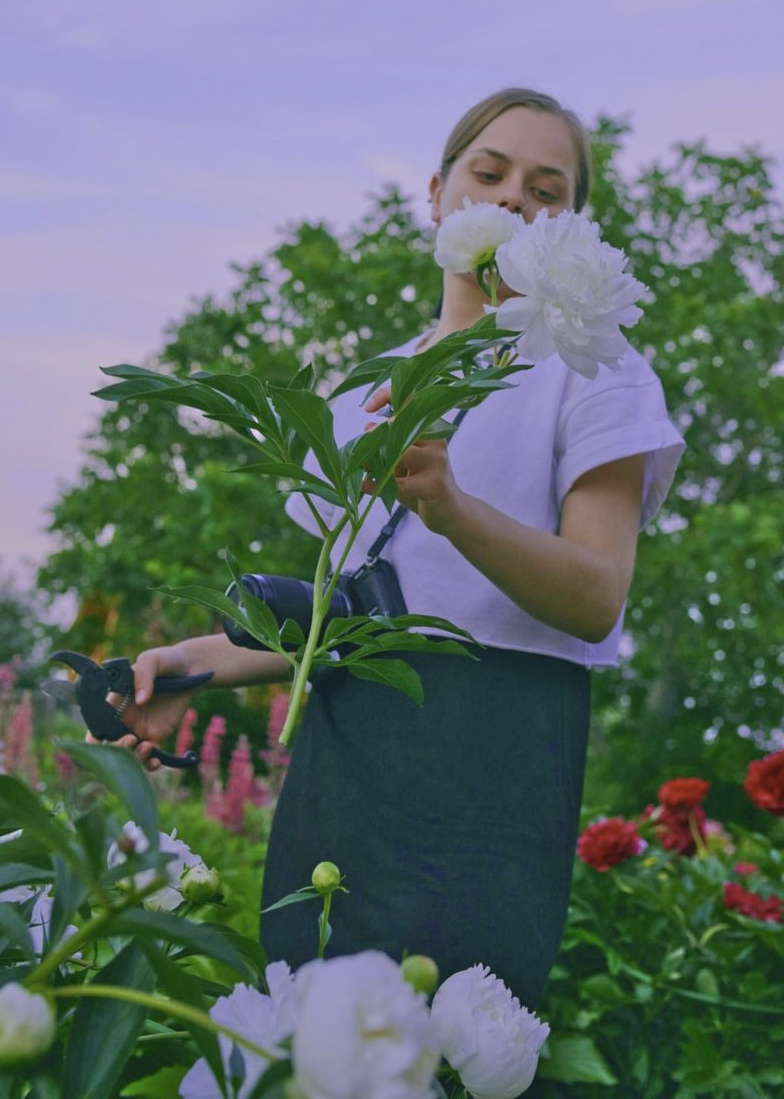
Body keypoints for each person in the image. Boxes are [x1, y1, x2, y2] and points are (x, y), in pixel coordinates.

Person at [96, 87, 685, 1012]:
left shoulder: (597, 371)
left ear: (575, 223)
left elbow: (597, 593)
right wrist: (188, 667)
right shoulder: (360, 393)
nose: (512, 200)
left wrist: (452, 505)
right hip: (344, 770)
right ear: (438, 195)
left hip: (493, 769)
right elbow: (349, 613)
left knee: (448, 1045)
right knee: (304, 1028)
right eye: (488, 174)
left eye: (547, 187)